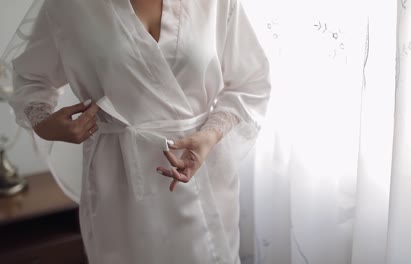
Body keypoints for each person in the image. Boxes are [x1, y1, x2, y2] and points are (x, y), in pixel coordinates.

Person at [5, 0, 270, 263]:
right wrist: (45, 124)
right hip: (117, 181)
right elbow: (30, 79)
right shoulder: (70, 6)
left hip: (202, 173)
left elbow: (249, 81)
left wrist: (211, 134)